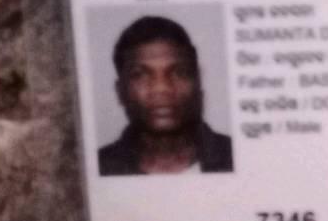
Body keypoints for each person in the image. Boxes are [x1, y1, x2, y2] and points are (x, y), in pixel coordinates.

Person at [98, 16, 233, 175]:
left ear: (198, 82)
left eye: (179, 72)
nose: (161, 89)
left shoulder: (237, 156)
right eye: (140, 75)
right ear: (120, 91)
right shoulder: (98, 167)